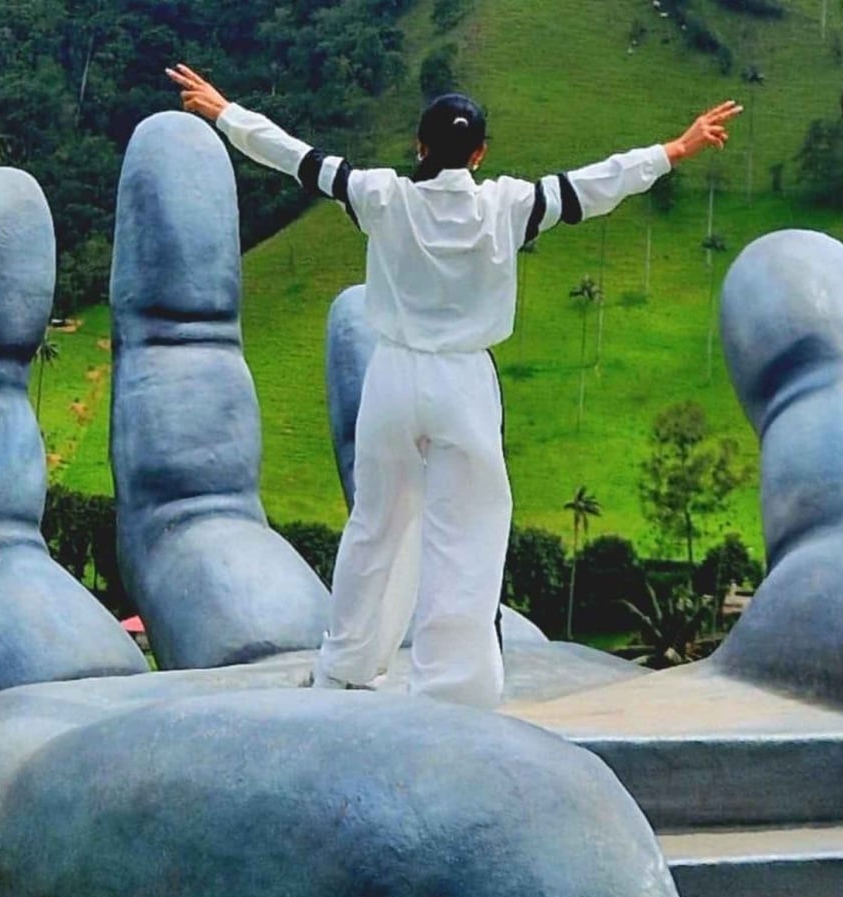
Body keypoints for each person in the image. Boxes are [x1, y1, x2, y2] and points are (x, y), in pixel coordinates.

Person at [168, 64, 741, 709]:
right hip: (463, 380)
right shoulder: (507, 206)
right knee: (465, 534)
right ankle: (451, 687)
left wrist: (225, 111)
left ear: (419, 145)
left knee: (376, 524)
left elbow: (297, 158)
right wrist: (678, 147)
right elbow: (597, 183)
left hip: (392, 376)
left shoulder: (382, 196)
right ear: (479, 154)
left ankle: (346, 667)